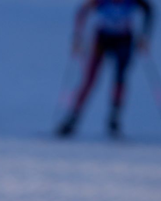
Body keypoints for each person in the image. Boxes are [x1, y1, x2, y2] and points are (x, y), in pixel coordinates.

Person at [57, 0, 154, 137]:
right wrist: (77, 37)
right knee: (89, 80)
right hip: (102, 39)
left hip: (123, 40)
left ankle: (114, 122)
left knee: (120, 80)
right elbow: (82, 11)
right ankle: (71, 120)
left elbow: (149, 10)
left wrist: (145, 36)